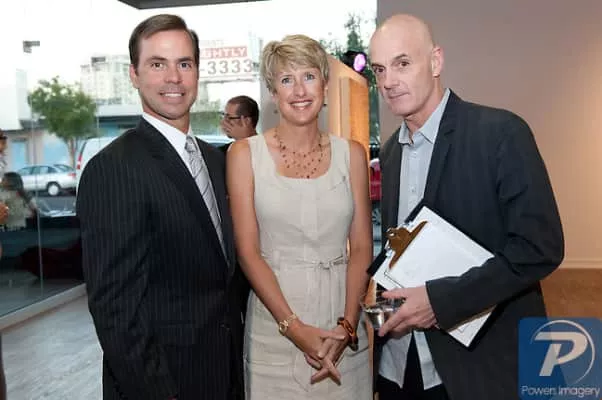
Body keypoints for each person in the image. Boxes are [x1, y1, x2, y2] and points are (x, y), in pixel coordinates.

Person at [369, 14, 564, 400]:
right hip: (400, 366)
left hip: (476, 371)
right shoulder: (390, 154)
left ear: (436, 61)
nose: (388, 81)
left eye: (402, 63)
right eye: (379, 69)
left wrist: (441, 302)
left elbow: (539, 248)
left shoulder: (501, 134)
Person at [77, 14, 243, 400]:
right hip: (163, 385)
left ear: (197, 72)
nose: (174, 78)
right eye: (157, 64)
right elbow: (116, 310)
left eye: (184, 64)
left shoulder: (214, 160)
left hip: (224, 376)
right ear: (134, 75)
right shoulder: (113, 169)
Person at [227, 34, 373, 399]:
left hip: (343, 324)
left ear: (324, 83)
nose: (299, 90)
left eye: (308, 76)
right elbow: (248, 253)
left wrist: (348, 326)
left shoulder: (352, 154)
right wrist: (294, 329)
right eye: (286, 79)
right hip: (275, 326)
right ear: (273, 92)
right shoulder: (244, 154)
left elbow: (361, 247)